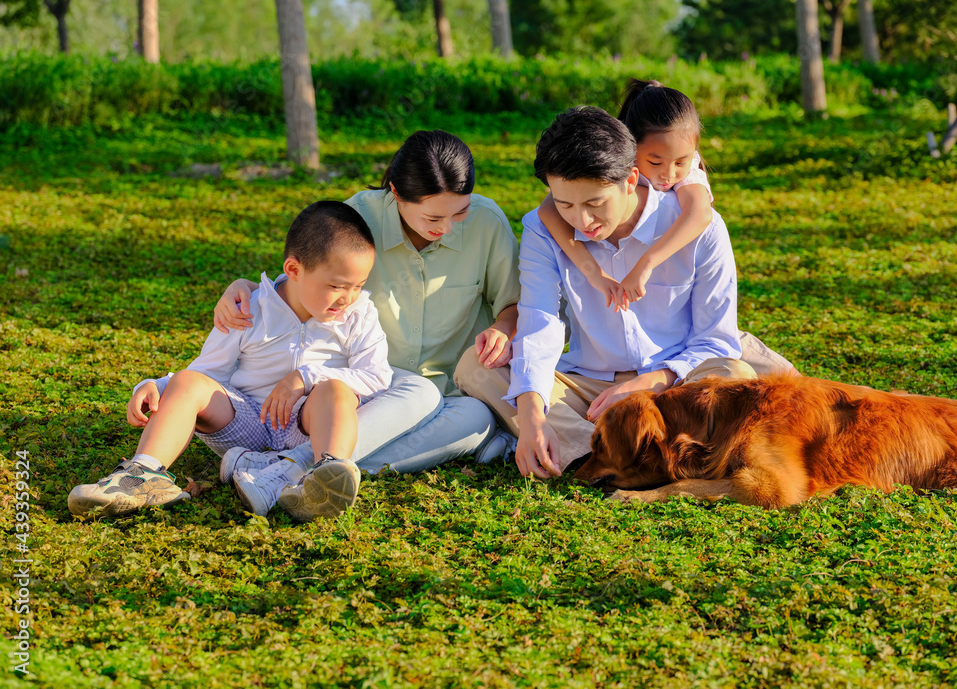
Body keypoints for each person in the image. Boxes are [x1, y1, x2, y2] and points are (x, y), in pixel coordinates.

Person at [455, 106, 796, 480]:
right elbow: (539, 322)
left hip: (676, 381)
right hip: (590, 388)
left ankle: (617, 456)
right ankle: (594, 455)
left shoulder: (702, 228)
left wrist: (648, 382)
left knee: (732, 373)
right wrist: (533, 416)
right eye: (565, 204)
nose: (581, 221)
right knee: (477, 366)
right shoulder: (543, 229)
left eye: (595, 203)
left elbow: (714, 340)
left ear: (631, 178)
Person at [213, 130, 521, 477]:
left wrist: (502, 327)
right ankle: (310, 465)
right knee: (420, 396)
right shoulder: (356, 218)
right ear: (396, 193)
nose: (448, 227)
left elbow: (513, 304)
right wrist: (247, 287)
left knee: (477, 419)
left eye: (460, 213)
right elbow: (307, 283)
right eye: (434, 218)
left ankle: (291, 465)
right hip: (370, 390)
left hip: (451, 392)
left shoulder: (487, 222)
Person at [68, 201, 394, 521]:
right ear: (294, 270)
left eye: (358, 286)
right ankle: (142, 475)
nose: (348, 298)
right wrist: (156, 385)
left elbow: (377, 376)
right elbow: (205, 371)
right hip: (246, 420)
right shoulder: (248, 308)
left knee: (336, 390)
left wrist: (305, 378)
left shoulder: (358, 314)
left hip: (308, 427)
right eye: (337, 286)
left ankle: (322, 475)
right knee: (187, 382)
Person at [537, 79, 714, 311]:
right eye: (655, 162)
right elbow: (548, 210)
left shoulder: (689, 172)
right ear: (630, 147)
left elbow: (700, 214)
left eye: (681, 161)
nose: (669, 174)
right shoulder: (617, 160)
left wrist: (646, 264)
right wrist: (593, 273)